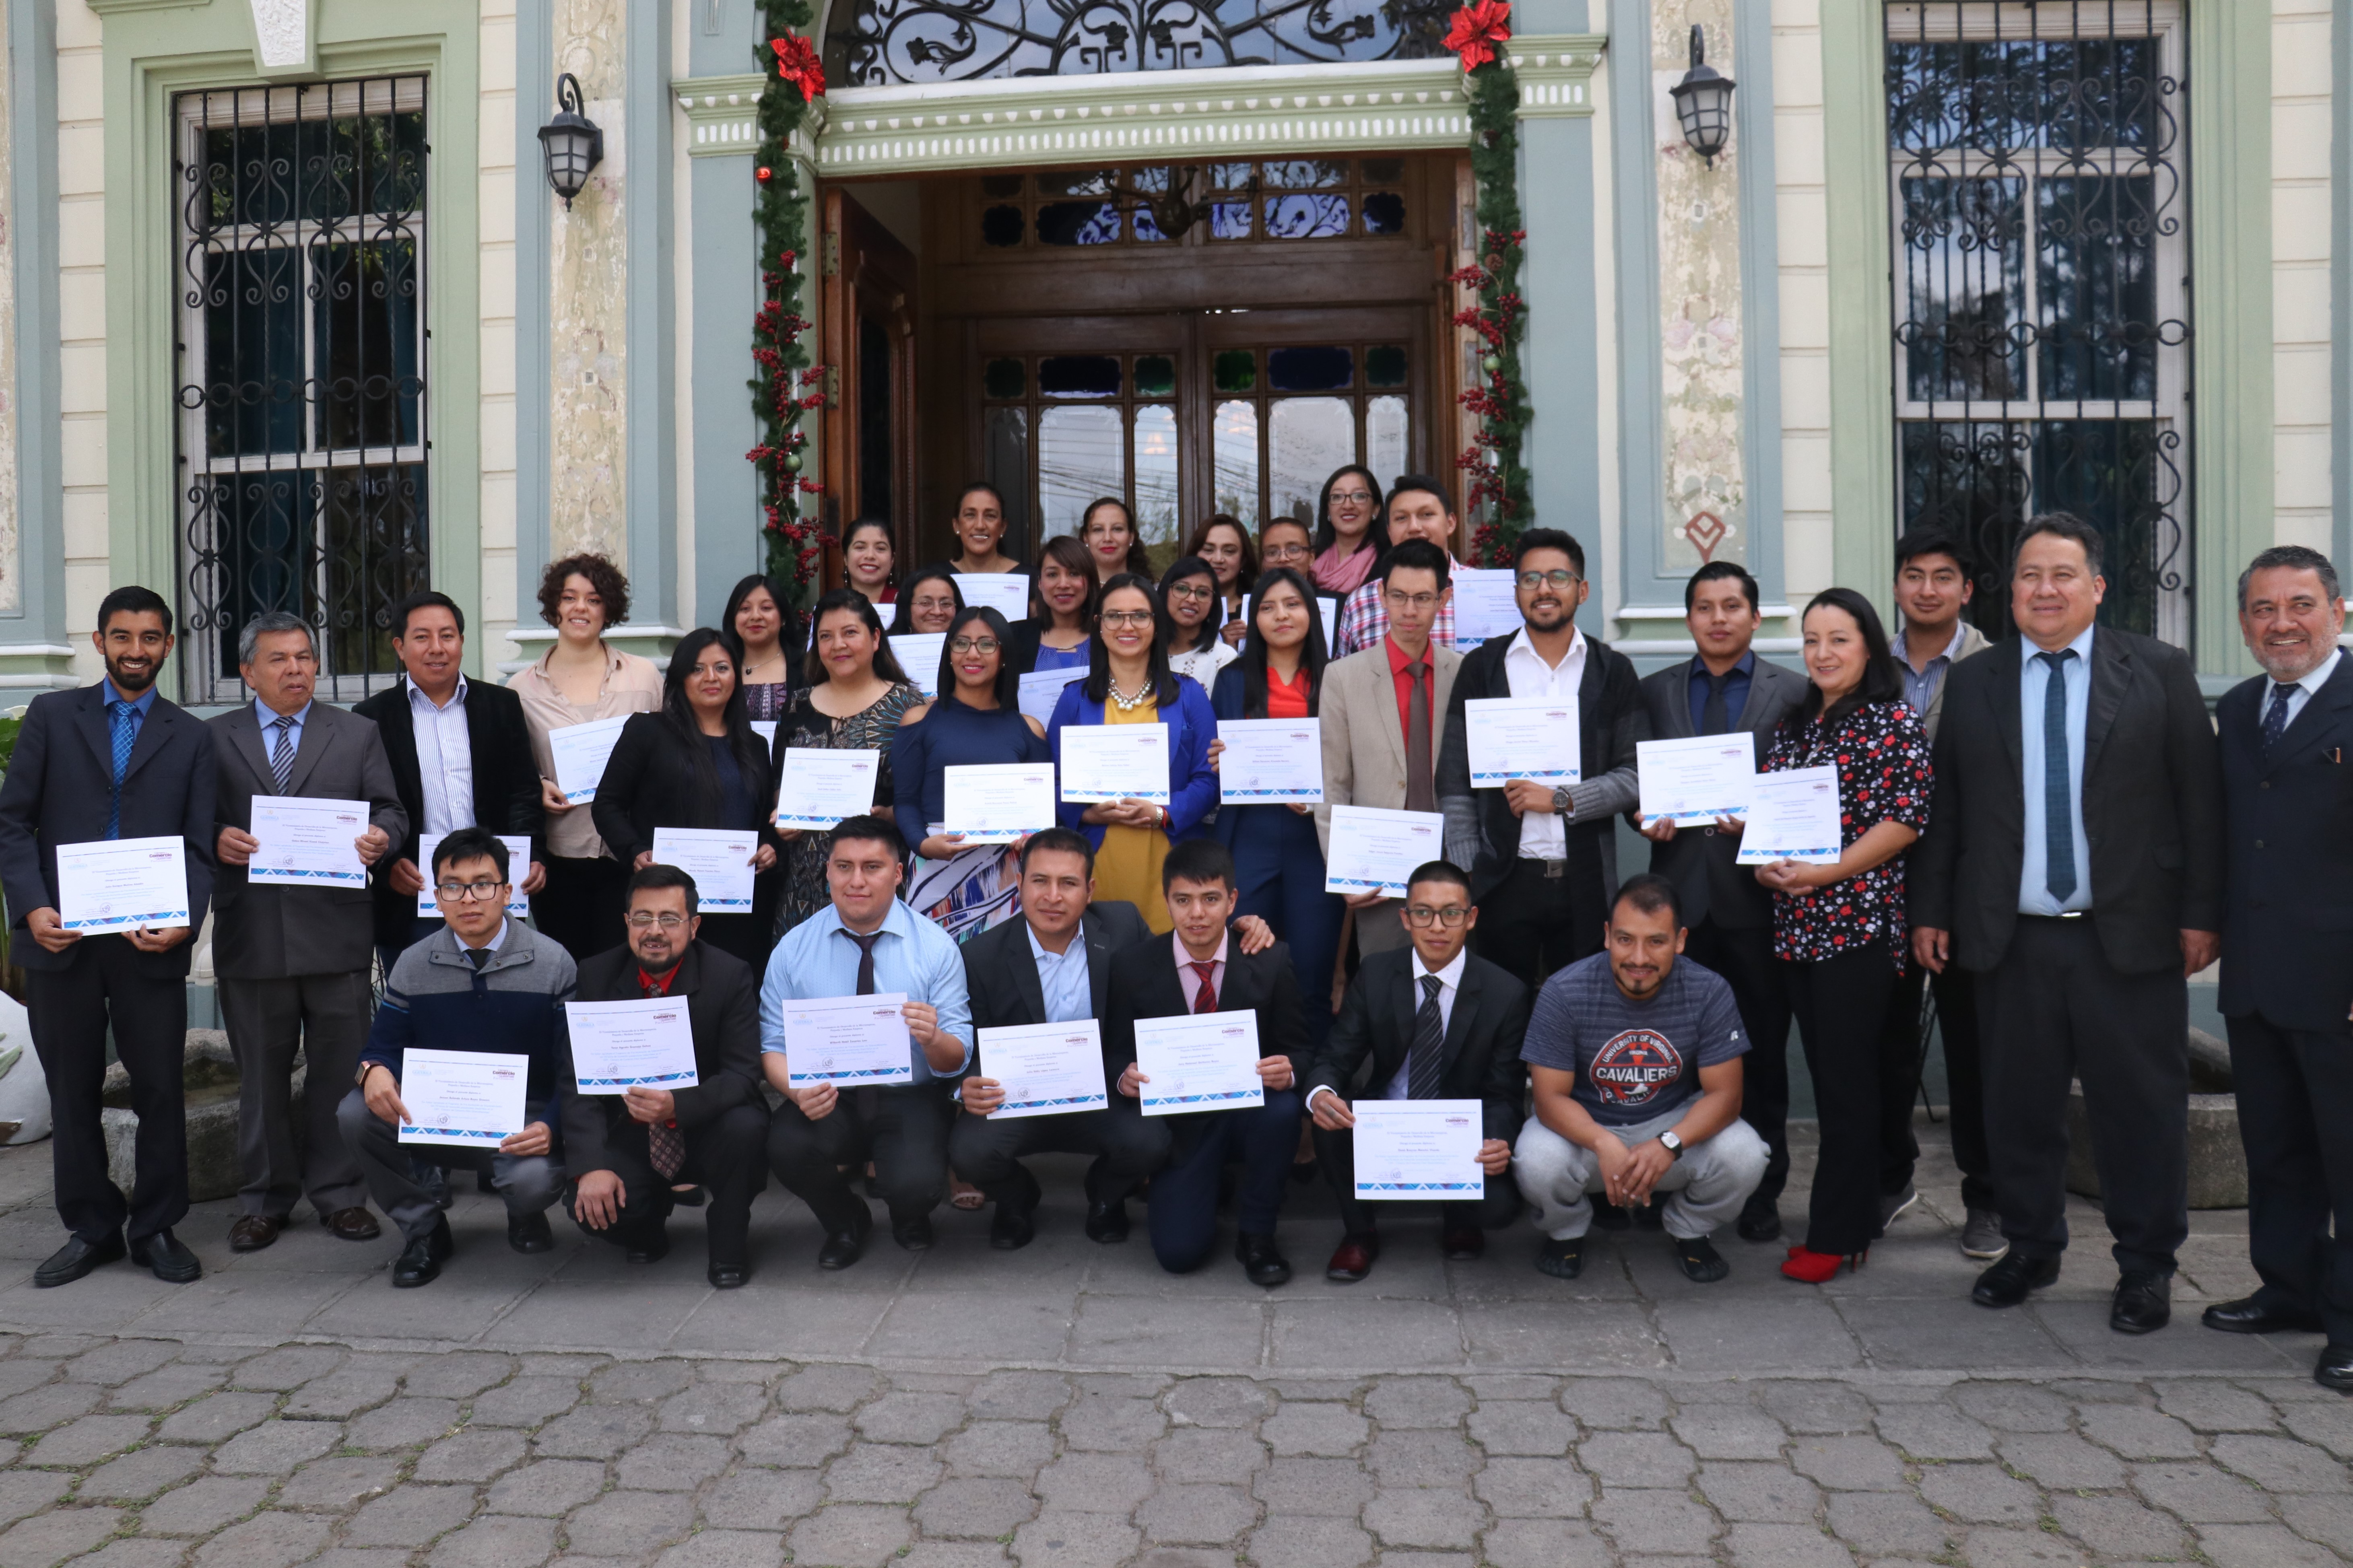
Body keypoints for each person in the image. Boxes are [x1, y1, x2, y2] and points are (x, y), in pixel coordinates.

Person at [1910, 513, 2221, 1332]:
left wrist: (2200, 915)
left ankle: (2146, 1264)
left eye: (2061, 574)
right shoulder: (1974, 682)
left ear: (2096, 586)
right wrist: (1930, 909)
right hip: (2010, 937)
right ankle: (2031, 1244)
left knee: (2140, 1111)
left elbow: (2199, 803)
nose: (2043, 590)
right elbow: (1947, 812)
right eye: (2028, 576)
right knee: (2017, 1106)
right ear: (2009, 592)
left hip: (2130, 936)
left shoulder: (2158, 670)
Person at [0, 587, 216, 1286]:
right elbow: (12, 822)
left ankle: (156, 1228)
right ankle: (91, 1227)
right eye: (122, 637)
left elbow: (201, 845)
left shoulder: (191, 735)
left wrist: (184, 916)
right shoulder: (53, 716)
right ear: (100, 642)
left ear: (168, 646)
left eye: (150, 638)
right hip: (60, 937)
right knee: (72, 1087)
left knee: (158, 1086)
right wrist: (32, 908)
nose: (135, 651)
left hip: (147, 939)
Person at [209, 612, 405, 1254]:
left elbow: (391, 808)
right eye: (278, 659)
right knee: (260, 1078)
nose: (295, 669)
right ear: (247, 672)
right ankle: (264, 1200)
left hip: (337, 931)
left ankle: (342, 1196)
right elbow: (191, 820)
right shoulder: (213, 738)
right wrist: (215, 839)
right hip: (254, 933)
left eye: (304, 657)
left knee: (336, 1070)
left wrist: (383, 838)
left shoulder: (355, 734)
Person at [1753, 589, 1932, 1284]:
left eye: (1838, 640)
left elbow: (1904, 820)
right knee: (1829, 1081)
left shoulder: (1891, 722)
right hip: (1797, 925)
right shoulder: (1797, 725)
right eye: (1810, 640)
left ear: (1868, 648)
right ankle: (1843, 1219)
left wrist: (1826, 871)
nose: (1821, 654)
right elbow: (1769, 816)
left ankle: (1838, 1231)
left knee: (1848, 1085)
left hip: (1856, 927)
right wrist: (1768, 867)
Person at [2207, 546, 2353, 1389]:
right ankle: (2289, 1288)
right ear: (2243, 623)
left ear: (2336, 610)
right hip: (2258, 974)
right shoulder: (2238, 706)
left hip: (2338, 980)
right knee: (2278, 1147)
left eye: (2300, 604)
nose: (2282, 623)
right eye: (2263, 609)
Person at [1631, 560, 1807, 1243]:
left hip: (1756, 906)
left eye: (1732, 605)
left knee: (1759, 1054)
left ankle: (1762, 1187)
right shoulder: (1655, 691)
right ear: (1689, 618)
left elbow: (1804, 798)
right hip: (1675, 909)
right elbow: (1635, 784)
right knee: (1667, 1058)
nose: (1718, 618)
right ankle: (1661, 1181)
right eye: (1704, 607)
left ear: (1756, 617)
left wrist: (1760, 822)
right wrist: (1642, 819)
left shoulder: (1793, 693)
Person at [340, 830, 574, 1287]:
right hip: (436, 1114)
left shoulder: (554, 963)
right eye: (453, 886)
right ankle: (424, 1228)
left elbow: (574, 1067)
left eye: (483, 884)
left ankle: (524, 1213)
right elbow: (381, 1046)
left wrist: (552, 1124)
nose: (469, 899)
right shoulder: (413, 962)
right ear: (437, 895)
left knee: (531, 1184)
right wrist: (374, 1072)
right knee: (354, 1113)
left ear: (508, 892)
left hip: (522, 1122)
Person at [1510, 874, 1767, 1282]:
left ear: (1680, 941)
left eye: (1657, 941)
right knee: (1537, 1160)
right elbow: (1549, 1100)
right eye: (1626, 939)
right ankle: (1566, 1230)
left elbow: (1726, 1097)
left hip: (1669, 1124)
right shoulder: (1564, 990)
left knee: (1746, 1154)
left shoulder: (1709, 990)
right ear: (1608, 935)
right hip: (1587, 1128)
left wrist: (1670, 1143)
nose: (1639, 958)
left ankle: (1690, 1227)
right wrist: (1602, 1140)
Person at [762, 816, 975, 1266]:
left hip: (910, 1096)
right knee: (786, 1144)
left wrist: (934, 1038)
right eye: (844, 867)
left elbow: (958, 1057)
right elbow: (773, 1046)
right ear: (828, 872)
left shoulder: (936, 948)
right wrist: (796, 1091)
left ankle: (909, 1213)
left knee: (918, 1185)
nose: (856, 881)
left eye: (873, 867)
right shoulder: (794, 948)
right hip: (831, 1095)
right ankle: (846, 1220)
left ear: (898, 874)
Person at [1304, 861, 1527, 1282]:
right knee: (1330, 1116)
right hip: (1387, 1120)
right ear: (1405, 919)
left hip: (1458, 1130)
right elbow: (1336, 1056)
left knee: (1498, 1210)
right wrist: (1321, 1094)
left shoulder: (1505, 992)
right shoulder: (1375, 973)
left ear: (1472, 918)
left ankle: (1460, 1220)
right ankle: (1359, 1232)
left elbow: (1504, 1091)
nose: (1437, 926)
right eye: (1423, 912)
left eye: (1452, 913)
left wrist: (1499, 1138)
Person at [1437, 527, 1640, 984]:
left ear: (1582, 590)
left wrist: (1563, 799)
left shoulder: (1614, 671)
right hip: (1502, 881)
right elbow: (1454, 780)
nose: (1544, 589)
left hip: (1585, 881)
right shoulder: (1483, 668)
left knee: (1580, 1015)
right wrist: (1469, 869)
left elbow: (1634, 776)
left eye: (1558, 577)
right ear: (1516, 593)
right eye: (1530, 579)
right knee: (1502, 1019)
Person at [1103, 838, 1306, 1285]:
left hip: (1247, 1115)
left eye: (1211, 899)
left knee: (1285, 1109)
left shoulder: (1270, 960)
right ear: (1167, 901)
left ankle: (1258, 1233)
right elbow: (1115, 1049)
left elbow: (1302, 1048)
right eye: (1184, 900)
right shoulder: (1133, 967)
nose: (1197, 914)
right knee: (1178, 1255)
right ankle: (1204, 1186)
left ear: (1233, 901)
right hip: (1180, 1126)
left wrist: (1288, 1069)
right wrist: (1125, 1076)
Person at [949, 828, 1163, 1248]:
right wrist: (965, 1086)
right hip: (1018, 1096)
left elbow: (1172, 976)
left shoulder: (1123, 927)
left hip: (1105, 1090)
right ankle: (1017, 1199)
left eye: (1068, 883)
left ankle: (1105, 1195)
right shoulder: (981, 955)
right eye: (1040, 881)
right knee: (968, 1152)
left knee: (1154, 1141)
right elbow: (970, 1039)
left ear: (1090, 889)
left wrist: (1239, 932)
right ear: (1020, 883)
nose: (1053, 896)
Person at [562, 863, 769, 1288]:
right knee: (592, 1207)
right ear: (626, 922)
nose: (654, 931)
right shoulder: (597, 975)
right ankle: (647, 1227)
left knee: (746, 1125)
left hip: (708, 1122)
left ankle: (729, 1244)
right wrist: (590, 1166)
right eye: (642, 918)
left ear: (694, 927)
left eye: (669, 919)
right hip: (633, 1128)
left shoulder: (729, 975)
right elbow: (575, 1079)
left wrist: (678, 1105)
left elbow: (744, 1073)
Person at [1887, 528, 2001, 1260]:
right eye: (1913, 574)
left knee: (1974, 1048)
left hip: (1968, 885)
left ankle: (1986, 1197)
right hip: (1871, 882)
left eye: (1943, 576)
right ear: (1897, 584)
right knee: (1882, 1042)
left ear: (1966, 589)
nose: (1927, 588)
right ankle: (1885, 1179)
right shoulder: (1867, 660)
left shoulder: (1999, 667)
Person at [355, 590, 547, 981]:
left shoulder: (501, 705)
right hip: (413, 893)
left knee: (498, 1003)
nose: (436, 648)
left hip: (494, 891)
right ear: (400, 646)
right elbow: (367, 807)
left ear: (461, 642)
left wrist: (534, 854)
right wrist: (388, 863)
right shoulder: (371, 718)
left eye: (447, 635)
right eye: (422, 637)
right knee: (422, 1013)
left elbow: (524, 791)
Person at [590, 630, 781, 968]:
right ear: (680, 677)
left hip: (738, 906)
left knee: (731, 997)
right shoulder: (648, 731)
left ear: (736, 676)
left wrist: (769, 845)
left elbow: (763, 815)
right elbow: (607, 803)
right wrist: (634, 851)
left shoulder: (754, 745)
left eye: (722, 668)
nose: (711, 678)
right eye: (697, 669)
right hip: (665, 906)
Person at [1211, 566, 1344, 1046]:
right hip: (1250, 835)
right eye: (1267, 607)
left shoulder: (1337, 677)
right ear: (1253, 618)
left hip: (1316, 841)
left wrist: (1316, 799)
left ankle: (1317, 1094)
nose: (1281, 615)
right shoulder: (1231, 679)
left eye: (1292, 604)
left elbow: (1350, 760)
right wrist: (1217, 760)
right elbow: (1216, 755)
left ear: (1312, 612)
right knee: (1243, 965)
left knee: (1311, 968)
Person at [511, 553, 664, 961]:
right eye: (569, 597)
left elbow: (669, 755)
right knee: (568, 969)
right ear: (554, 607)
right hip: (561, 856)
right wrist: (538, 785)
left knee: (626, 972)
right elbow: (514, 770)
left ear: (608, 608)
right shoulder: (520, 688)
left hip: (630, 853)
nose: (581, 608)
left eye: (594, 599)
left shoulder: (644, 676)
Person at [1047, 573, 1220, 934]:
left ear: (1157, 625)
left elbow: (1208, 778)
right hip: (1097, 861)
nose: (1127, 626)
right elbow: (1051, 779)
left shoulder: (1190, 695)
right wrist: (1088, 814)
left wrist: (1161, 813)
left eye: (1140, 615)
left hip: (1170, 863)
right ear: (1099, 625)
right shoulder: (1074, 699)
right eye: (1115, 616)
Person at [1317, 540, 1461, 958]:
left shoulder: (1465, 673)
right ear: (1381, 596)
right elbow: (1332, 785)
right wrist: (1345, 874)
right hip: (1377, 873)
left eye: (1422, 598)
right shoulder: (1344, 677)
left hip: (1454, 865)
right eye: (1398, 597)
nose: (1409, 610)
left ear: (1443, 598)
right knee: (1386, 995)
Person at [769, 591, 924, 934]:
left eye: (850, 633)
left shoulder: (909, 707)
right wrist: (783, 815)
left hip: (875, 884)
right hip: (804, 886)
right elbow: (779, 784)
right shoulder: (797, 705)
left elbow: (924, 797)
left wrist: (890, 816)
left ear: (875, 638)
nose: (838, 645)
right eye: (826, 636)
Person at [895, 605, 1052, 942]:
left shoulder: (1029, 729)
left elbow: (1045, 813)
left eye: (986, 644)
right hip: (935, 866)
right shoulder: (919, 720)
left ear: (1005, 655)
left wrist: (1033, 839)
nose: (972, 653)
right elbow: (905, 802)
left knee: (1000, 980)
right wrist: (923, 844)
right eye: (961, 643)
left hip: (1006, 873)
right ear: (949, 653)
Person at [1334, 476, 1466, 656]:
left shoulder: (1484, 592)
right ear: (1389, 531)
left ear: (1450, 523)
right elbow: (1347, 677)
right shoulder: (1361, 601)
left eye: (1426, 515)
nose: (1414, 527)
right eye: (1401, 518)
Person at [1008, 534, 1098, 675]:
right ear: (1040, 583)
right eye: (1052, 575)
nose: (1063, 584)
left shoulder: (1106, 635)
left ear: (1090, 580)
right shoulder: (1015, 637)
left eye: (1074, 574)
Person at [724, 574, 802, 723]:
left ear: (783, 618)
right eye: (745, 609)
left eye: (766, 608)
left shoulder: (807, 667)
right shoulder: (720, 667)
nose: (755, 616)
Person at [1160, 555, 1237, 689]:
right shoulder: (1144, 652)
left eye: (1203, 593)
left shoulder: (1224, 659)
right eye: (1182, 589)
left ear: (1214, 603)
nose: (1192, 600)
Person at [1311, 466, 1388, 598]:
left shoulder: (1391, 562)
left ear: (1376, 509)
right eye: (1337, 497)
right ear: (1328, 511)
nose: (1348, 506)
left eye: (1359, 496)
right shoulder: (1310, 560)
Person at [1182, 515, 1257, 649]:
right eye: (1208, 550)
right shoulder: (1181, 608)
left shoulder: (1259, 608)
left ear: (1244, 559)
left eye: (1229, 551)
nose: (1218, 559)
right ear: (1195, 555)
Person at [946, 482, 1022, 576]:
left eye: (990, 516)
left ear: (1003, 527)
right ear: (956, 525)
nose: (980, 526)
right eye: (970, 515)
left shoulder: (1029, 579)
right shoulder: (934, 578)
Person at [1081, 497, 1153, 582]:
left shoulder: (1149, 592)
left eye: (1117, 529)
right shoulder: (1074, 591)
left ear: (1131, 537)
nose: (1108, 538)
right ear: (1086, 538)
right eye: (1098, 530)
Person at [888, 567, 963, 637]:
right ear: (907, 607)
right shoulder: (884, 648)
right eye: (925, 603)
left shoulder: (971, 649)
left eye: (946, 604)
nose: (937, 612)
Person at [845, 519, 898, 606]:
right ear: (846, 558)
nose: (870, 556)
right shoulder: (830, 607)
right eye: (860, 547)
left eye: (880, 548)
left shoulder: (907, 606)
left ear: (892, 559)